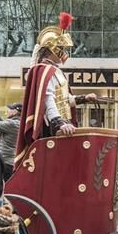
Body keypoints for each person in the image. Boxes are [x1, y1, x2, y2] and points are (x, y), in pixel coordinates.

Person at [16, 12, 97, 165]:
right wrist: (60, 124)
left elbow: (64, 101)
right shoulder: (44, 70)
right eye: (62, 48)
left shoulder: (54, 70)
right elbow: (47, 100)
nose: (64, 52)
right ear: (52, 49)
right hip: (52, 128)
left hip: (62, 125)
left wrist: (84, 98)